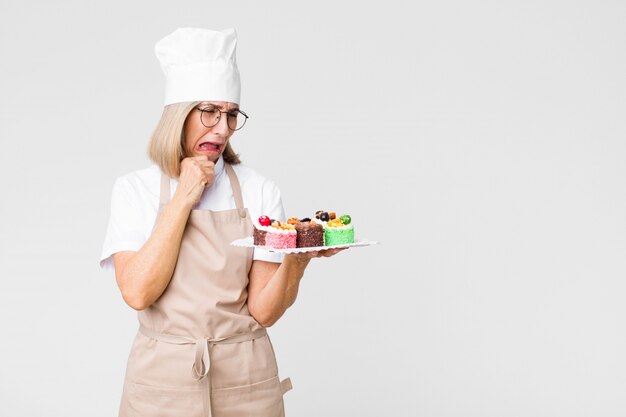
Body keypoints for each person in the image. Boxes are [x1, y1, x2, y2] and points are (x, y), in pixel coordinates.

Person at [99, 28, 344, 417]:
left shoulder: (260, 190)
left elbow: (264, 311)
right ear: (178, 114)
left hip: (246, 377)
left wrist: (298, 261)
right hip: (162, 381)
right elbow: (138, 293)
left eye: (231, 115)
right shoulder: (135, 190)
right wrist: (184, 196)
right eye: (210, 112)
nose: (223, 128)